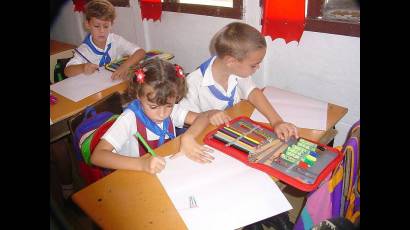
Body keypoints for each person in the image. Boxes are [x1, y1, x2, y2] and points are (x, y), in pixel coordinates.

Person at [91, 58, 217, 173]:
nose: (162, 114)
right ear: (139, 96)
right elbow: (98, 156)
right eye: (153, 107)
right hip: (135, 173)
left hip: (163, 167)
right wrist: (142, 164)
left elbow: (204, 117)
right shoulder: (129, 119)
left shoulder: (171, 109)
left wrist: (188, 136)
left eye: (169, 106)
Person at [178, 22, 298, 142]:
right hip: (202, 137)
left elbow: (253, 92)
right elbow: (180, 116)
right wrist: (208, 115)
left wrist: (277, 121)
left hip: (230, 129)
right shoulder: (193, 83)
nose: (258, 68)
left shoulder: (236, 71)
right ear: (231, 61)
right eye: (254, 65)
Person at [64, 0, 146, 80]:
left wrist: (125, 66)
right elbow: (67, 71)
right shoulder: (84, 49)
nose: (102, 31)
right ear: (87, 25)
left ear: (112, 24)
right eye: (96, 26)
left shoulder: (116, 40)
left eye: (106, 26)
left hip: (115, 83)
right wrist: (83, 67)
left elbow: (140, 52)